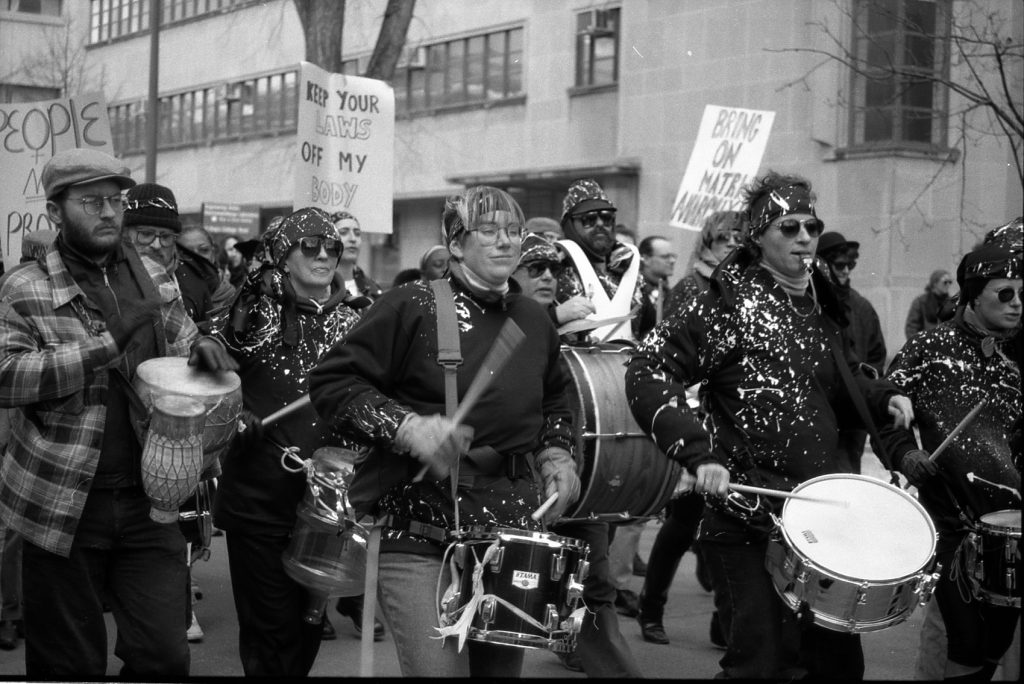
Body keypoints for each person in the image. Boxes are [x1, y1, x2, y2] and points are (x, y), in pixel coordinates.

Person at [625, 170, 916, 679]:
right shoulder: (723, 303)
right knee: (761, 666)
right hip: (748, 515)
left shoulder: (822, 307)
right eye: (788, 227)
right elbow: (648, 372)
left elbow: (841, 383)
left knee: (836, 667)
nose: (804, 237)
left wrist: (885, 395)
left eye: (810, 225)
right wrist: (699, 454)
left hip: (819, 517)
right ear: (758, 236)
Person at [308, 186, 580, 677]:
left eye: (514, 232)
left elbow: (557, 398)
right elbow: (331, 382)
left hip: (508, 533)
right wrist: (407, 426)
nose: (506, 243)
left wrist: (558, 452)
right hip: (421, 536)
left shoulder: (534, 320)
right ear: (455, 244)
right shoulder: (409, 304)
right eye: (489, 231)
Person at [0, 147, 236, 678]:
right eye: (91, 201)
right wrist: (108, 344)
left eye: (115, 200)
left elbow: (182, 341)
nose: (109, 212)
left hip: (150, 501)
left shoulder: (155, 274)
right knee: (68, 664)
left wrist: (200, 356)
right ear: (55, 212)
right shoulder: (23, 288)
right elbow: (8, 376)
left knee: (164, 656)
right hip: (60, 504)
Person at [211, 207, 363, 675]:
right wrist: (235, 412)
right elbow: (209, 379)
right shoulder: (250, 312)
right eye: (310, 245)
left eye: (332, 246)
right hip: (259, 507)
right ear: (281, 254)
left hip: (325, 512)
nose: (324, 254)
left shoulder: (358, 322)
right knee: (272, 638)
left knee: (307, 633)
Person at [885, 241, 1021, 682]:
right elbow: (888, 412)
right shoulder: (927, 349)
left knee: (993, 648)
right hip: (953, 528)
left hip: (1012, 532)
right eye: (1005, 293)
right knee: (964, 642)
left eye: (1022, 293)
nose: (1018, 303)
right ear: (972, 295)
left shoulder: (1015, 359)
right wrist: (907, 454)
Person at [634, 212, 749, 648]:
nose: (733, 247)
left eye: (741, 240)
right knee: (683, 524)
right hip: (694, 420)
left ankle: (725, 623)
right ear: (707, 244)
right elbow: (670, 362)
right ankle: (651, 608)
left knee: (725, 520)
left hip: (729, 421)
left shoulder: (743, 290)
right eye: (726, 241)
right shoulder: (692, 289)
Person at [548, 178, 645, 677]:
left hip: (613, 410)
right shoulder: (552, 260)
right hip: (567, 406)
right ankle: (577, 631)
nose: (602, 226)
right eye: (589, 219)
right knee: (572, 530)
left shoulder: (630, 267)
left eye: (607, 216)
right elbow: (522, 315)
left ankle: (579, 629)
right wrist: (556, 315)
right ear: (570, 224)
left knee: (595, 524)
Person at [607, 234, 678, 622]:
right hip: (611, 396)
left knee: (632, 495)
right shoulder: (629, 293)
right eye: (663, 256)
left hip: (637, 395)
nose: (670, 262)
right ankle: (609, 583)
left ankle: (614, 581)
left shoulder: (658, 294)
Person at [815, 231, 887, 474]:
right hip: (820, 416)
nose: (846, 270)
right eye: (839, 265)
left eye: (850, 264)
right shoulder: (810, 305)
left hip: (853, 417)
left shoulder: (863, 307)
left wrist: (866, 385)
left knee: (848, 479)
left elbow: (877, 356)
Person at [665, 210, 747, 318]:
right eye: (723, 237)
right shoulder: (691, 285)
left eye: (738, 238)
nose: (731, 243)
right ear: (708, 242)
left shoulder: (753, 283)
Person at [331, 210, 383, 308]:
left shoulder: (373, 288)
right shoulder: (320, 289)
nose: (353, 239)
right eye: (343, 232)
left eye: (357, 233)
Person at [905, 269, 956, 339]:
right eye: (945, 282)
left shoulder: (952, 303)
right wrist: (917, 344)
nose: (948, 285)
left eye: (950, 282)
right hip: (924, 343)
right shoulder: (921, 302)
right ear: (935, 283)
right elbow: (911, 327)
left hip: (945, 344)